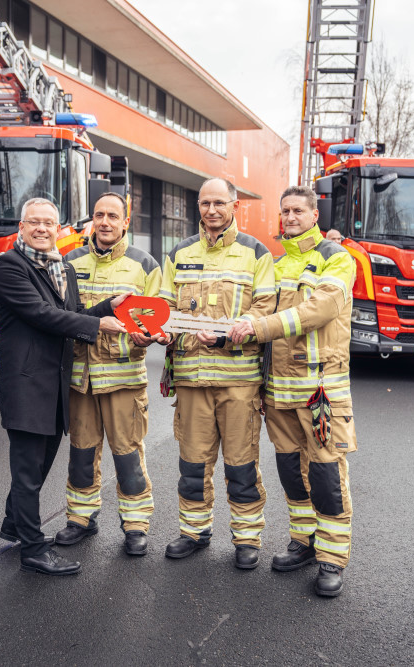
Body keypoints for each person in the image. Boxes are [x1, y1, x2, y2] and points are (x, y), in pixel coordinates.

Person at [229, 184, 357, 597]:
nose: (290, 218)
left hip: (320, 388)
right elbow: (259, 310)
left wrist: (258, 327)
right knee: (290, 470)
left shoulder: (337, 259)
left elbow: (316, 311)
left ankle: (332, 558)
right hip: (279, 391)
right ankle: (304, 542)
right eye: (285, 211)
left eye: (298, 210)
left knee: (325, 473)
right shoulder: (278, 263)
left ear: (314, 215)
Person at [0, 197, 127, 576]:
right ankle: (33, 550)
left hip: (54, 387)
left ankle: (14, 525)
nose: (41, 229)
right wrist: (99, 327)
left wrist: (106, 308)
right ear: (21, 227)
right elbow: (41, 314)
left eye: (48, 223)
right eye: (33, 222)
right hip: (26, 386)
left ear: (58, 229)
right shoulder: (8, 266)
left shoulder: (61, 268)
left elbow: (71, 315)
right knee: (27, 470)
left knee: (38, 466)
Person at [157, 177, 276, 570]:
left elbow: (265, 309)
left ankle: (246, 538)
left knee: (241, 464)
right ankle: (194, 531)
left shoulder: (256, 253)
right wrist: (156, 328)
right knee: (192, 462)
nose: (211, 210)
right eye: (205, 203)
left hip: (238, 380)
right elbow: (161, 302)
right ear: (199, 206)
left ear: (234, 205)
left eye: (219, 203)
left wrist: (227, 332)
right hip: (191, 378)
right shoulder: (179, 252)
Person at [54, 192, 162, 557]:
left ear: (125, 222)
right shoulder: (69, 260)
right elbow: (59, 314)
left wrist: (146, 336)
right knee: (81, 454)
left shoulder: (145, 265)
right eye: (99, 214)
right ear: (91, 220)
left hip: (123, 378)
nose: (104, 222)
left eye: (112, 216)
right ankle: (80, 520)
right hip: (80, 379)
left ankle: (135, 526)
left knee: (128, 455)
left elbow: (155, 320)